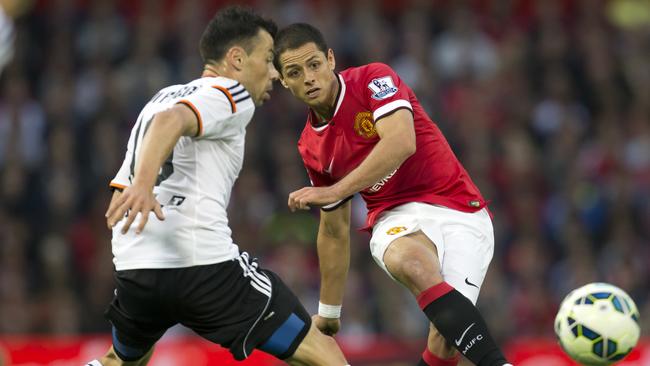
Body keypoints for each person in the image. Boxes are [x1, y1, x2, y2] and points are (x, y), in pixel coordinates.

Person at [85, 8, 349, 366]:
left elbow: (133, 169)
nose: (274, 73)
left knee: (123, 360)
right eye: (269, 59)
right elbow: (172, 121)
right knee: (320, 352)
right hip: (202, 267)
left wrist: (141, 191)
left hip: (136, 265)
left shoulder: (160, 97)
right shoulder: (231, 92)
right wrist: (145, 185)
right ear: (237, 59)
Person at [274, 23, 512, 366]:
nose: (309, 77)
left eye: (314, 64)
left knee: (446, 339)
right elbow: (334, 229)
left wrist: (337, 190)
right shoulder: (311, 146)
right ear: (284, 81)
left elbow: (401, 142)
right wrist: (328, 312)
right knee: (411, 263)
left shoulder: (373, 78)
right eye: (295, 72)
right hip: (395, 216)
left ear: (330, 59)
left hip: (461, 209)